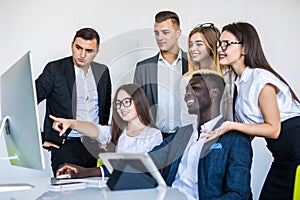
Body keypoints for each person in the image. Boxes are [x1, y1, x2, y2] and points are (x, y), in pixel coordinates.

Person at [55, 70, 252, 200]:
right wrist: (83, 172)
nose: (187, 95)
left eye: (195, 89)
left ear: (214, 93)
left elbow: (238, 194)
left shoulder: (235, 139)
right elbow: (143, 163)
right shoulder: (183, 134)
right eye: (186, 90)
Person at [204, 22, 300, 199]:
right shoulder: (240, 84)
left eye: (226, 43)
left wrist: (231, 126)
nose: (220, 48)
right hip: (282, 156)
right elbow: (250, 129)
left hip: (296, 151)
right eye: (219, 44)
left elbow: (273, 129)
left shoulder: (260, 78)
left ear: (244, 48)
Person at [35, 27, 112, 174]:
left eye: (89, 51)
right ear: (72, 45)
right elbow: (26, 103)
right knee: (68, 194)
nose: (82, 55)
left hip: (95, 147)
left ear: (97, 52)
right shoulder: (54, 70)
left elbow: (104, 108)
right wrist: (40, 138)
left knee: (96, 195)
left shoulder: (103, 71)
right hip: (66, 146)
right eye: (78, 48)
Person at [53, 83, 163, 177]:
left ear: (138, 102)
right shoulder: (118, 131)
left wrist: (88, 172)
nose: (121, 107)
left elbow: (147, 169)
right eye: (118, 103)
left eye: (126, 102)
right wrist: (72, 123)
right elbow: (95, 130)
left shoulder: (154, 134)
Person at [133, 10, 188, 137]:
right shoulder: (143, 68)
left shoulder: (193, 64)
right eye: (156, 33)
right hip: (154, 138)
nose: (160, 38)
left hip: (186, 137)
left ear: (178, 33)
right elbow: (138, 107)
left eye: (165, 32)